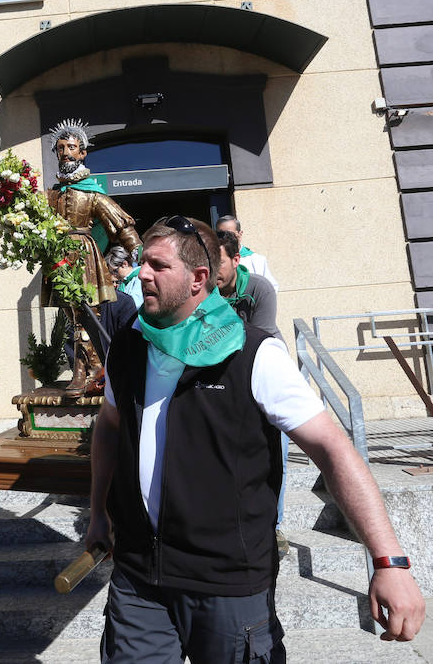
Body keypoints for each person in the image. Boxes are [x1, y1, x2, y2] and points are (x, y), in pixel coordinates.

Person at [87, 216, 425, 663]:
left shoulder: (255, 354)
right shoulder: (127, 347)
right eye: (141, 262)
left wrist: (389, 561)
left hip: (228, 583)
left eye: (157, 265)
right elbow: (109, 428)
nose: (141, 273)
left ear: (198, 279)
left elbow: (334, 451)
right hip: (139, 577)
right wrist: (98, 513)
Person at [46, 120, 141, 395]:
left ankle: (88, 371)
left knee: (86, 316)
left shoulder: (91, 191)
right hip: (60, 259)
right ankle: (91, 368)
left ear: (83, 152)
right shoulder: (52, 193)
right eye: (61, 148)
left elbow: (120, 222)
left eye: (72, 147)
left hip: (85, 258)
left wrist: (137, 249)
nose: (66, 153)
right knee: (73, 317)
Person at [216, 228, 290, 557]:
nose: (211, 270)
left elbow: (255, 340)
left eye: (218, 262)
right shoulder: (205, 292)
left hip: (269, 374)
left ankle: (274, 528)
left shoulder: (259, 289)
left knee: (277, 455)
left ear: (236, 260)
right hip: (227, 380)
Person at [215, 214, 279, 291]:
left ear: (240, 234)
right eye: (221, 234)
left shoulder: (257, 260)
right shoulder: (211, 260)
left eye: (230, 234)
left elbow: (270, 288)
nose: (225, 238)